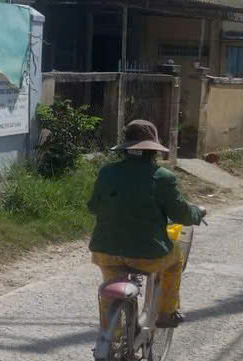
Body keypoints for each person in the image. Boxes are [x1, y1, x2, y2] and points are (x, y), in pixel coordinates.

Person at [88, 119, 206, 327]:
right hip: (147, 257)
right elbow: (182, 214)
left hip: (105, 252)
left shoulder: (106, 172)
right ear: (153, 151)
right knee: (175, 259)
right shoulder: (162, 177)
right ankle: (167, 312)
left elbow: (93, 207)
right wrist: (198, 213)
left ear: (125, 149)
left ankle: (109, 342)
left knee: (110, 286)